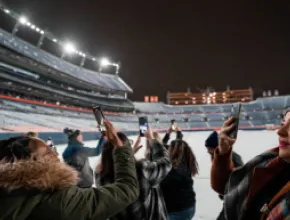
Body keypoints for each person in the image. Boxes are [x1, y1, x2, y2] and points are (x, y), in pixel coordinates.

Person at [0, 120, 139, 220]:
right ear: (33, 164)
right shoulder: (59, 202)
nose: (55, 155)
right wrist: (120, 147)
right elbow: (127, 190)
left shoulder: (7, 192)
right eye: (49, 152)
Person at [211, 108, 290, 220]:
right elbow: (226, 186)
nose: (280, 131)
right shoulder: (269, 160)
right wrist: (224, 152)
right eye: (283, 124)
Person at [95, 128, 172, 220]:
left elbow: (120, 169)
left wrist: (128, 154)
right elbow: (165, 163)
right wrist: (152, 139)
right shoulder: (140, 168)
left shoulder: (100, 175)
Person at [161, 124, 198, 220]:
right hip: (188, 207)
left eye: (169, 149)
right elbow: (178, 144)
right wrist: (173, 133)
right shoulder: (185, 160)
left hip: (176, 211)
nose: (167, 150)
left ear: (173, 151)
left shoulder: (173, 170)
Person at [205, 130, 244, 220]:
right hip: (227, 196)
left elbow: (241, 173)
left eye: (209, 148)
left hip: (234, 198)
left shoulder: (233, 157)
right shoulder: (216, 157)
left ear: (216, 146)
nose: (207, 151)